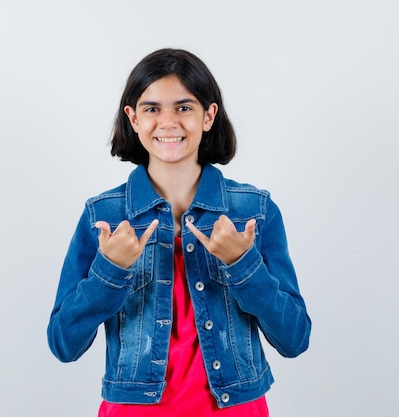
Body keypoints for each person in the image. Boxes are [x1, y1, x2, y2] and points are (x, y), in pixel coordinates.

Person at [47, 48, 311, 416]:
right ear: (133, 119)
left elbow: (295, 339)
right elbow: (63, 343)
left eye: (184, 107)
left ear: (208, 116)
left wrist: (243, 265)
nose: (168, 122)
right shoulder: (103, 216)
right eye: (152, 108)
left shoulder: (254, 211)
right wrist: (109, 272)